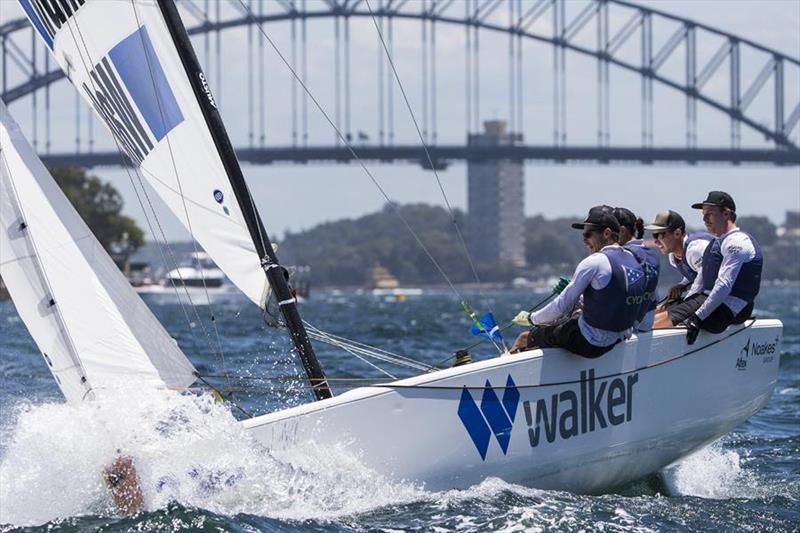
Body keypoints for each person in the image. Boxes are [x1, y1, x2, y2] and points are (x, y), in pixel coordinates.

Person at [510, 206, 646, 358]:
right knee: (572, 317)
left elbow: (561, 306)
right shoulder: (634, 260)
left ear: (607, 233)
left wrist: (531, 318)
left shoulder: (594, 262)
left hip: (590, 344)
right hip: (618, 340)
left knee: (526, 337)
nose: (584, 241)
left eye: (588, 235)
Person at [682, 191, 762, 344]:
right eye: (703, 214)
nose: (704, 219)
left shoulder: (737, 243)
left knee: (668, 316)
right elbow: (700, 281)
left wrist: (697, 318)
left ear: (726, 213)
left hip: (729, 311)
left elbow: (724, 284)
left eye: (710, 214)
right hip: (715, 304)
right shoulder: (717, 241)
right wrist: (685, 305)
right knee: (672, 310)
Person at [644, 209, 713, 328]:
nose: (656, 241)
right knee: (663, 307)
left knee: (671, 310)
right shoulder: (674, 257)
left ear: (677, 233)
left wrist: (683, 303)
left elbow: (700, 283)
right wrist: (681, 285)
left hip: (722, 297)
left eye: (659, 235)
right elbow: (696, 274)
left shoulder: (695, 249)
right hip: (706, 294)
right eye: (654, 236)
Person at [612, 207, 660, 331]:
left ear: (621, 230)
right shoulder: (651, 253)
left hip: (633, 325)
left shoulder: (625, 255)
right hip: (648, 321)